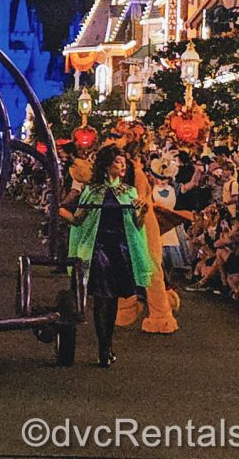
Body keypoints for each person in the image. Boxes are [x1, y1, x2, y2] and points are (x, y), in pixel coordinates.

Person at [68, 146, 155, 367]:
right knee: (100, 299)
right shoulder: (91, 191)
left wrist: (143, 210)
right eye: (118, 161)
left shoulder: (130, 192)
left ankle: (106, 346)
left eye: (124, 162)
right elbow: (78, 220)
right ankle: (103, 348)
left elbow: (137, 225)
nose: (123, 165)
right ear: (107, 165)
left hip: (120, 249)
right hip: (97, 249)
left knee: (113, 299)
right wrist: (62, 213)